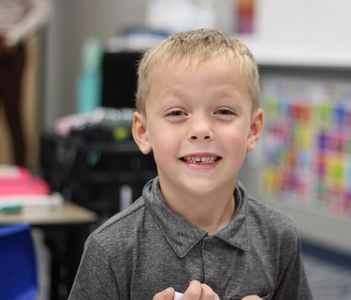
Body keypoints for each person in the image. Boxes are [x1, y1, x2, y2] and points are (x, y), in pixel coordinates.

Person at [69, 28, 312, 300]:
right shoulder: (111, 249)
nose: (200, 129)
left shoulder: (279, 237)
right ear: (143, 131)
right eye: (176, 113)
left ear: (253, 130)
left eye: (223, 111)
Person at [0, 0, 51, 166]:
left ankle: (22, 173)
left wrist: (14, 35)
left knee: (13, 115)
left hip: (9, 47)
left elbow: (43, 10)